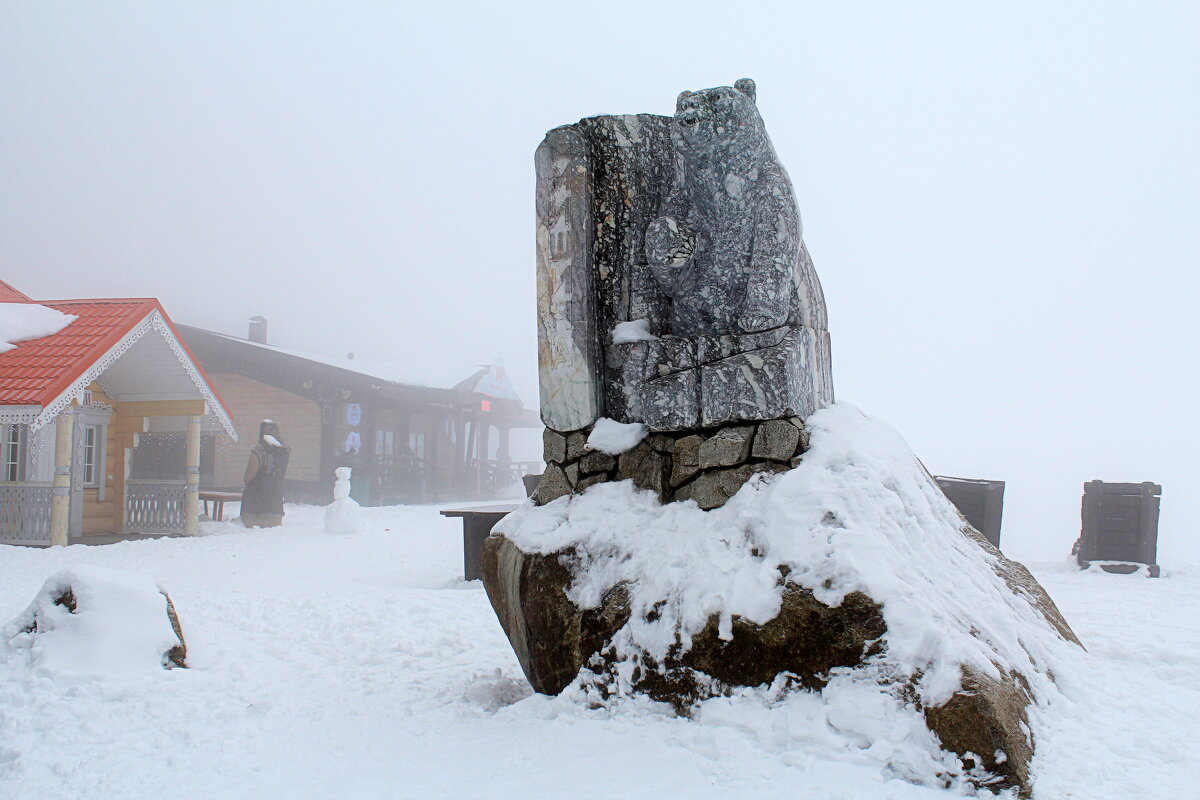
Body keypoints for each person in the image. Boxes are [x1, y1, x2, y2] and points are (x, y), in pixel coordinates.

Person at [241, 420, 291, 528]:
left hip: (255, 508)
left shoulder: (259, 451)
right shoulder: (284, 452)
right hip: (275, 505)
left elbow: (248, 477)